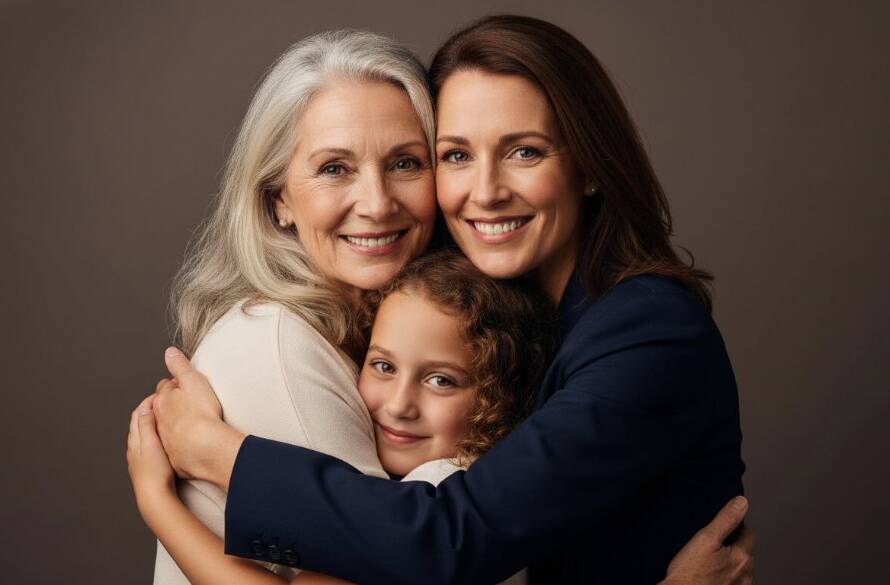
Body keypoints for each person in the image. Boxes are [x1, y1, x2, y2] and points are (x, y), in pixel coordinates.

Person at [140, 16, 754, 585]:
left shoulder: (643, 330)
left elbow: (447, 539)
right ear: (275, 196)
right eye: (457, 155)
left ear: (590, 166)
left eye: (525, 151)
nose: (484, 191)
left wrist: (217, 457)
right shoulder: (288, 343)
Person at [145, 29, 439, 583]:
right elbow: (403, 559)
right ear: (278, 197)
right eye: (335, 168)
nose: (377, 203)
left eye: (405, 163)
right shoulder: (278, 345)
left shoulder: (392, 333)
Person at [128, 251, 558, 584]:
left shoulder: (441, 486)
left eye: (441, 381)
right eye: (383, 367)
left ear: (497, 398)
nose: (399, 404)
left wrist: (157, 502)